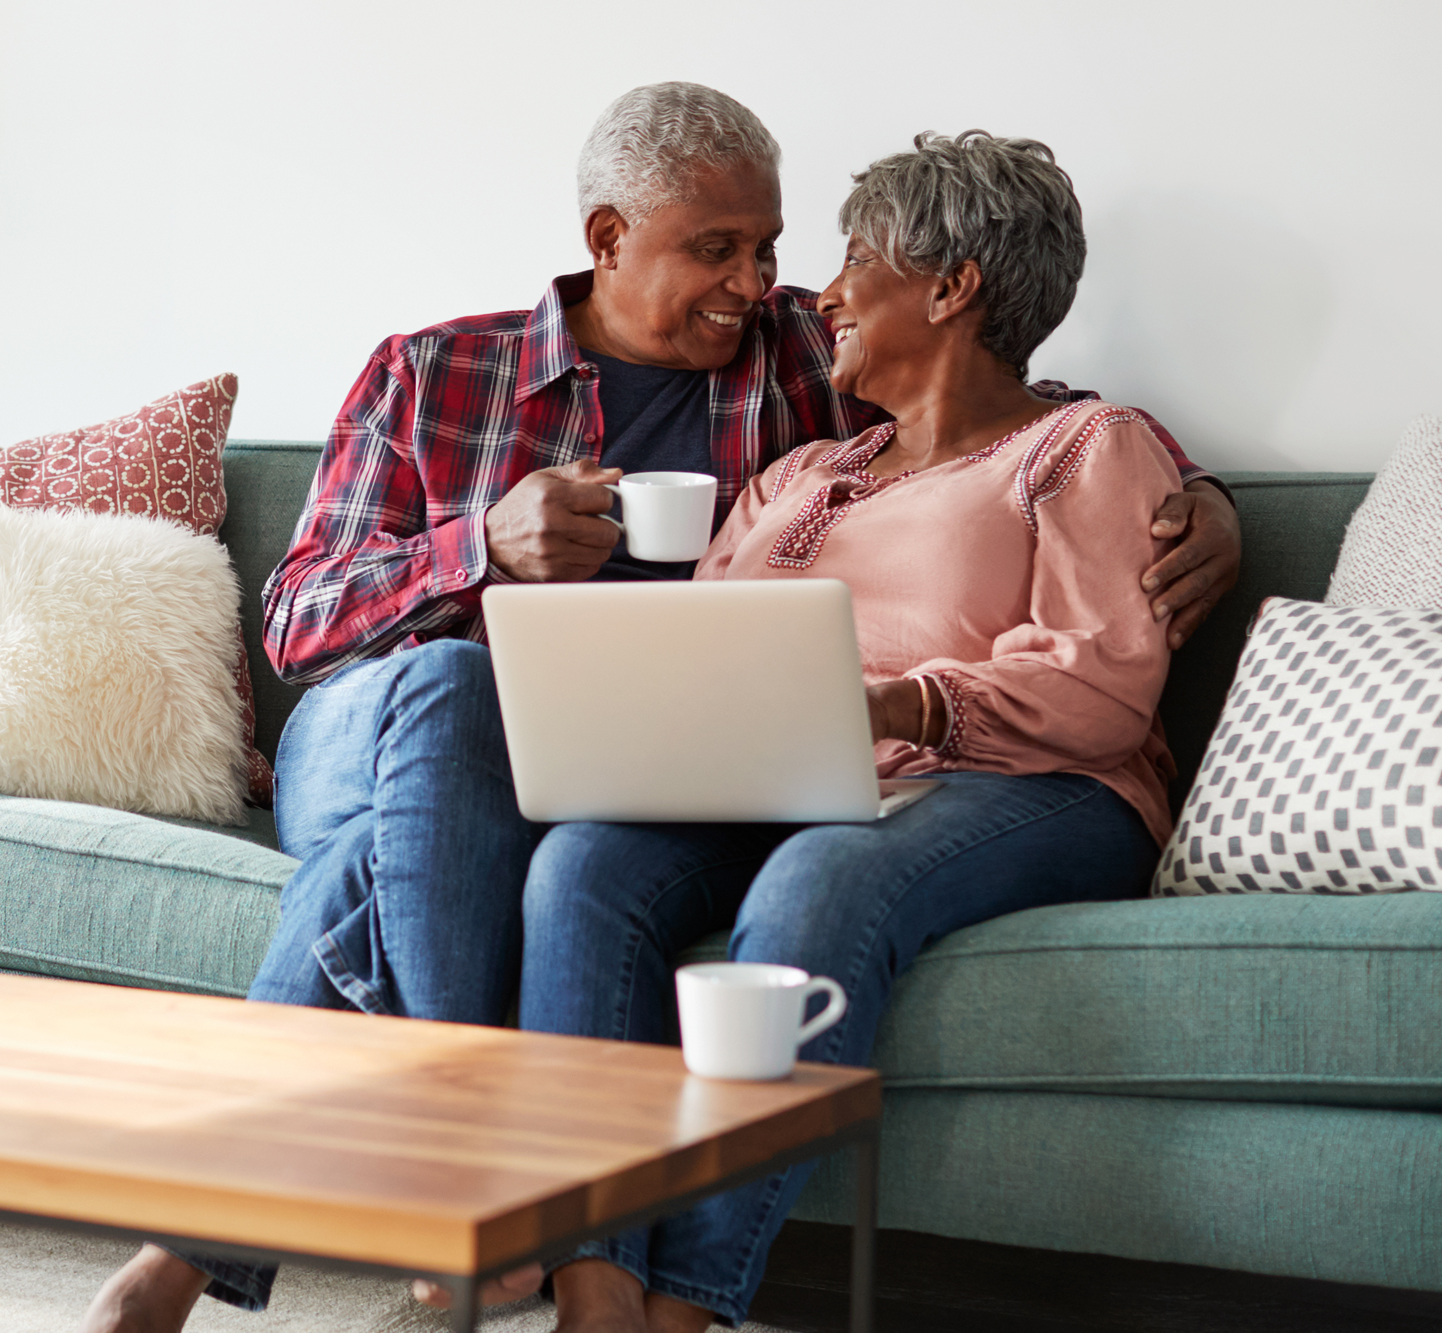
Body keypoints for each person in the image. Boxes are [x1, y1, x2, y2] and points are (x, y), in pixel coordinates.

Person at [80, 85, 1236, 1333]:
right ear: (607, 237)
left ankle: (500, 1268)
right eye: (714, 249)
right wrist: (477, 547)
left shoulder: (807, 365)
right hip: (385, 719)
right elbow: (296, 623)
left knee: (496, 859)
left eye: (774, 249)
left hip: (634, 758)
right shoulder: (434, 371)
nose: (762, 284)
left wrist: (1198, 493)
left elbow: (1021, 409)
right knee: (453, 688)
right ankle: (481, 1162)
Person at [513, 129, 1178, 1331]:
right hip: (798, 767)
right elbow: (713, 654)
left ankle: (686, 1306)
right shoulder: (798, 474)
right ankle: (594, 1286)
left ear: (950, 284)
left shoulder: (1084, 449)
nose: (819, 294)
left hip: (1030, 778)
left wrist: (900, 701)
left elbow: (1105, 682)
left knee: (822, 878)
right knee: (583, 863)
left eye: (854, 258)